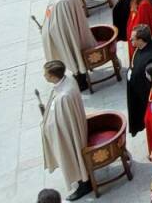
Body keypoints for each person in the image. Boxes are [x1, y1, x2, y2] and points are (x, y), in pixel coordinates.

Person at [40, 60, 91, 201]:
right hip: (73, 126)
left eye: (46, 74)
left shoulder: (64, 97)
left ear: (53, 76)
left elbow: (63, 122)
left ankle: (84, 184)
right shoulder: (67, 80)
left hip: (69, 134)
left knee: (73, 156)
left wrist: (49, 126)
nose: (44, 76)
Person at [41, 0, 94, 92]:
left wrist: (49, 32)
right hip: (71, 30)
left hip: (66, 35)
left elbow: (61, 25)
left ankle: (82, 82)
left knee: (72, 55)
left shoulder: (61, 1)